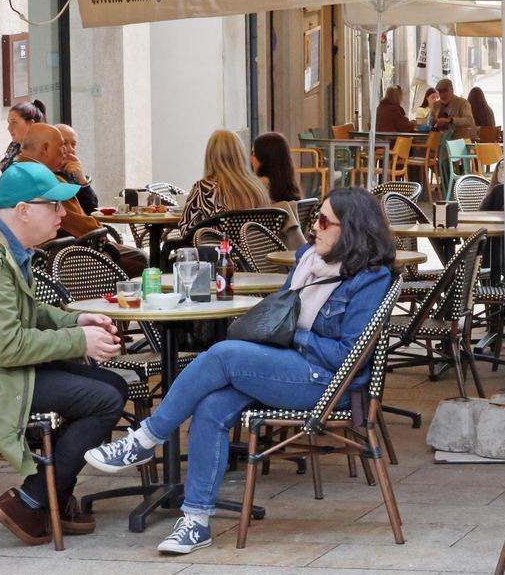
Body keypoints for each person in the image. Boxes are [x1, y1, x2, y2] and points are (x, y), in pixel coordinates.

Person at [85, 188, 396, 555]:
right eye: (316, 217)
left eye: (325, 221)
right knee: (212, 406)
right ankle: (196, 522)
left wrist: (294, 336)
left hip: (328, 383)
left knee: (224, 355)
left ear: (352, 229)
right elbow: (281, 316)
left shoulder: (369, 278)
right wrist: (284, 337)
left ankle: (145, 439)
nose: (315, 227)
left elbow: (346, 355)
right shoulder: (310, 260)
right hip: (294, 366)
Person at [0, 161, 125, 545]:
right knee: (104, 399)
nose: (63, 214)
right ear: (23, 210)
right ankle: (31, 500)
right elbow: (6, 346)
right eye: (53, 206)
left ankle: (48, 497)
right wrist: (80, 342)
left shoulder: (2, 243)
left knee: (112, 384)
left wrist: (74, 321)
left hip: (3, 369)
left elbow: (29, 312)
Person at [17, 124, 148, 276]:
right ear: (46, 148)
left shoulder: (11, 175)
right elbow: (84, 226)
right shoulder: (49, 181)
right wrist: (101, 233)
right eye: (61, 146)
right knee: (140, 260)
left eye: (72, 145)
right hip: (52, 262)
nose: (66, 151)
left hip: (18, 259)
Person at [179, 130, 271, 235]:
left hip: (219, 249)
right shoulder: (257, 188)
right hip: (254, 250)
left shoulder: (204, 189)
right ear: (240, 154)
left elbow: (186, 231)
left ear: (210, 156)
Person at [250, 132, 308, 249]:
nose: (250, 158)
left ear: (263, 159)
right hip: (288, 258)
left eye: (253, 153)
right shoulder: (290, 188)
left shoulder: (256, 189)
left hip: (265, 258)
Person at [55, 124, 99, 216]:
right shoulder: (46, 175)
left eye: (73, 144)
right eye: (64, 143)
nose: (70, 149)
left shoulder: (72, 174)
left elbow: (93, 211)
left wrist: (82, 181)